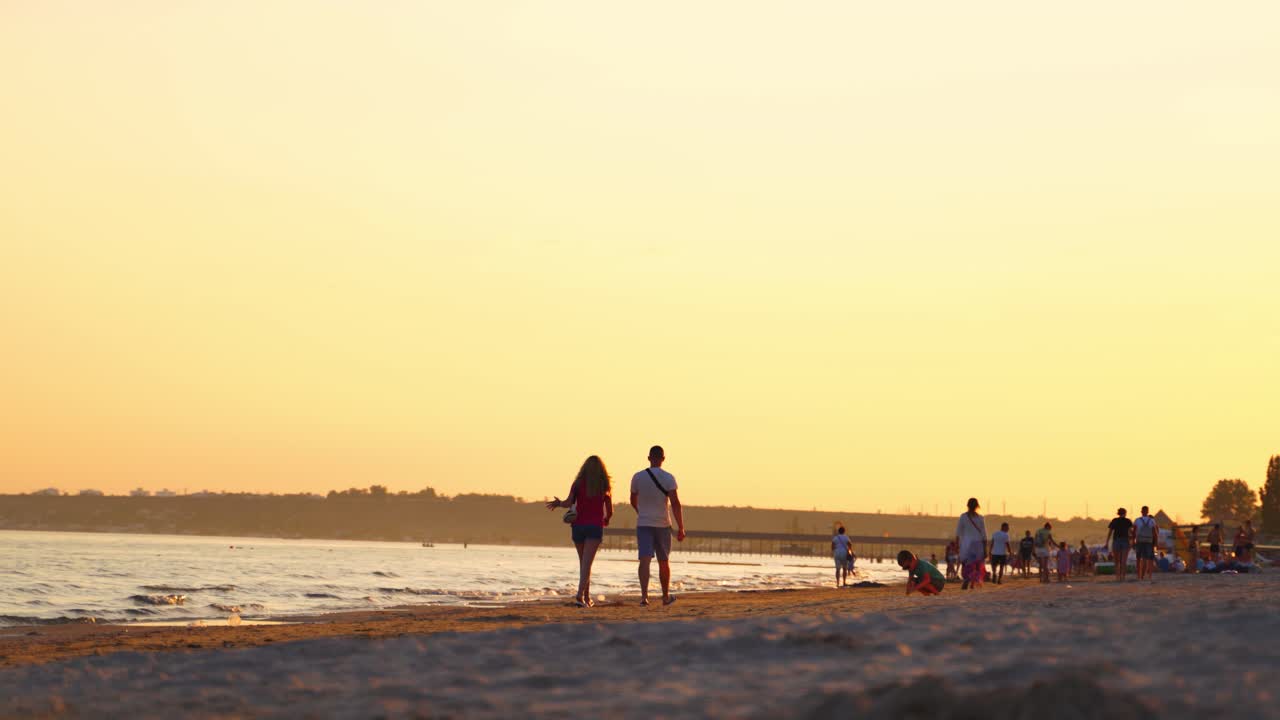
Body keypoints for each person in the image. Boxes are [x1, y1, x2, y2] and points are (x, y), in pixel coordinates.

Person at [545, 455, 614, 607]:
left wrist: (558, 503)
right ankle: (579, 595)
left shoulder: (578, 484)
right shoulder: (604, 485)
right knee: (587, 564)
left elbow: (569, 503)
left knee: (584, 563)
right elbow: (610, 511)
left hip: (578, 526)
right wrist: (606, 519)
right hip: (595, 527)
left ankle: (586, 597)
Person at [630, 445, 685, 607]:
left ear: (649, 458)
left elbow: (633, 499)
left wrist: (640, 511)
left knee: (644, 560)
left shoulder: (638, 477)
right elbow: (675, 503)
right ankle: (665, 596)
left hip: (644, 523)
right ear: (663, 459)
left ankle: (644, 597)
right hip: (662, 524)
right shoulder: (669, 478)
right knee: (663, 561)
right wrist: (681, 527)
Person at [954, 498, 987, 590]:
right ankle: (972, 583)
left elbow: (958, 532)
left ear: (967, 506)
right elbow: (984, 535)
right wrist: (985, 549)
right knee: (977, 565)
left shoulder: (963, 517)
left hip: (966, 544)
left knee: (966, 564)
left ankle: (966, 579)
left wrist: (957, 545)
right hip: (978, 544)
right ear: (977, 506)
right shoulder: (980, 518)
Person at [1104, 508, 1134, 582]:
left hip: (1116, 540)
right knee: (1123, 561)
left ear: (1118, 513)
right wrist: (1132, 541)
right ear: (1125, 513)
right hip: (1125, 540)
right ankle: (1123, 577)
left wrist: (1107, 542)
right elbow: (1131, 532)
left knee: (1116, 561)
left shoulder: (1114, 520)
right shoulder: (1128, 521)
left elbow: (1110, 532)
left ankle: (1117, 577)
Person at [1133, 506, 1158, 581]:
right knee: (1145, 559)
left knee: (1138, 559)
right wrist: (1156, 543)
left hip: (1140, 541)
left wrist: (1133, 542)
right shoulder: (1152, 521)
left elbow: (1134, 532)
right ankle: (1143, 576)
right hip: (1148, 542)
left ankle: (1138, 575)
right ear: (1148, 511)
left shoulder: (1137, 520)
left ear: (1141, 511)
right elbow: (1155, 533)